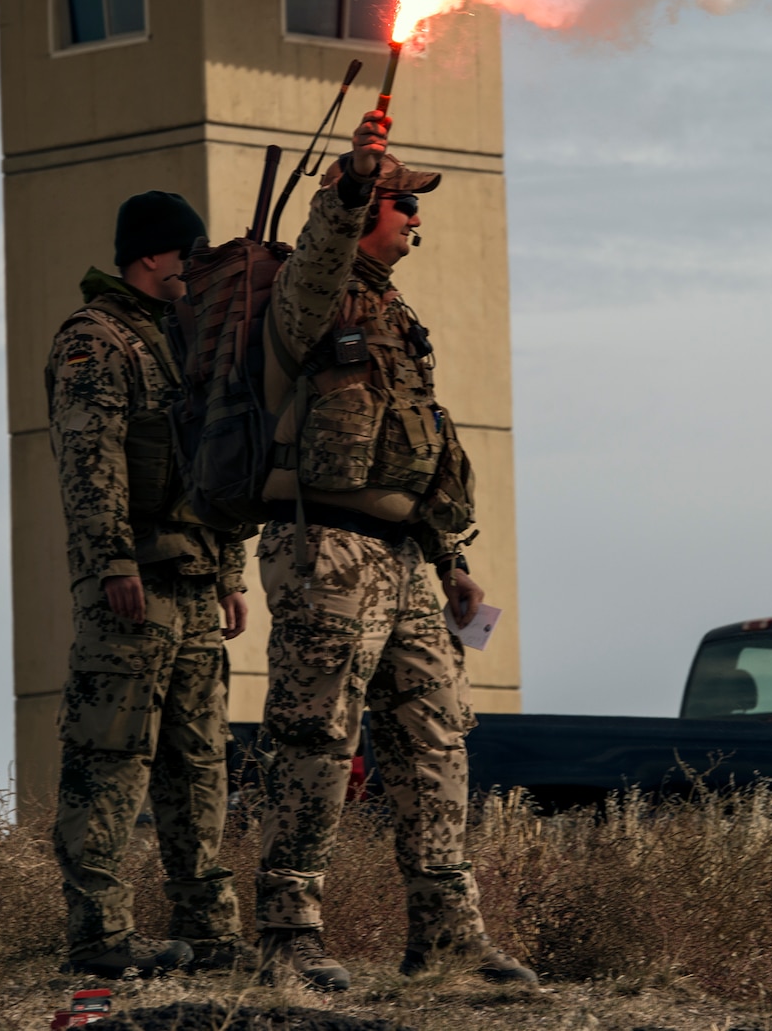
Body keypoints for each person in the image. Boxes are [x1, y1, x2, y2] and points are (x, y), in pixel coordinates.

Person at [250, 113, 537, 991]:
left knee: (434, 737)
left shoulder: (395, 312)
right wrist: (348, 185)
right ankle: (286, 933)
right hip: (326, 548)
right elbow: (321, 245)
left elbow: (410, 446)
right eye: (403, 204)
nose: (417, 218)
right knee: (316, 735)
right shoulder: (314, 293)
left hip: (406, 555)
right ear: (365, 207)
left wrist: (447, 556)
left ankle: (447, 938)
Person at [46, 190, 254, 978]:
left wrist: (230, 569)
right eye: (187, 257)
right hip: (135, 585)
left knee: (199, 763)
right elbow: (87, 462)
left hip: (197, 582)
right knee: (109, 756)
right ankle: (100, 935)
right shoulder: (94, 342)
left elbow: (218, 460)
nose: (193, 272)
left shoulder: (181, 342)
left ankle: (208, 931)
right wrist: (111, 563)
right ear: (153, 256)